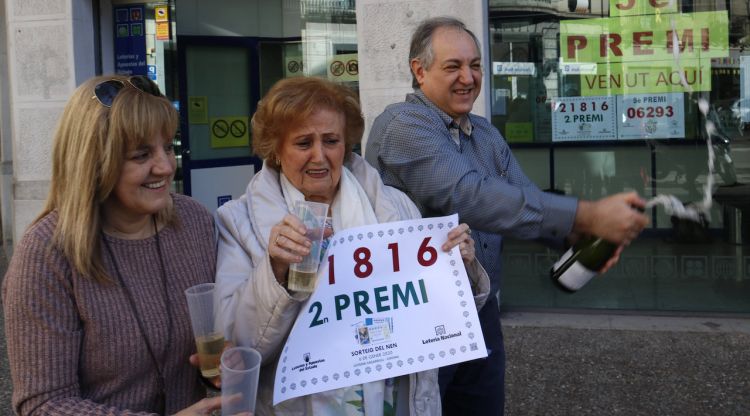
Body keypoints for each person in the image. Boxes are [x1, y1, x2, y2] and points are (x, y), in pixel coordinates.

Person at [365, 17, 650, 416]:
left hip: (480, 311)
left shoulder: (484, 133)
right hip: (418, 319)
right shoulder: (402, 126)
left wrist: (577, 239)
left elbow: (523, 200)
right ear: (419, 70)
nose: (468, 77)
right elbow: (471, 196)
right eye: (453, 66)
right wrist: (586, 216)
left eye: (476, 65)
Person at [214, 76, 490, 415]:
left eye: (331, 140)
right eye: (303, 143)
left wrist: (459, 269)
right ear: (275, 149)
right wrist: (275, 270)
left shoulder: (394, 205)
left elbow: (436, 315)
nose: (319, 156)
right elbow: (238, 349)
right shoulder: (237, 222)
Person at [2, 75, 222, 415]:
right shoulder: (46, 254)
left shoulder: (194, 222)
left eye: (168, 146)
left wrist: (222, 365)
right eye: (141, 154)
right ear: (93, 160)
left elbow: (211, 342)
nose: (165, 166)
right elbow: (43, 404)